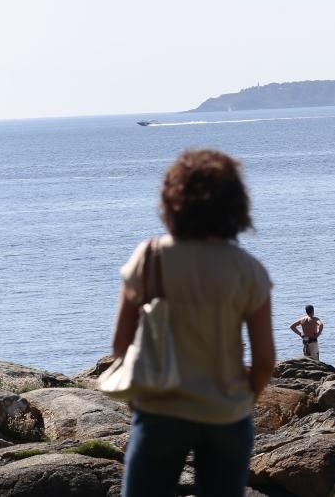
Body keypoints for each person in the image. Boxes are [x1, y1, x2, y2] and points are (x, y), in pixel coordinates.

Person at [110, 149, 275, 497]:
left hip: (160, 409)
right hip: (227, 413)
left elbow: (120, 345)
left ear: (172, 201)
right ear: (235, 204)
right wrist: (247, 398)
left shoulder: (150, 257)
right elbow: (264, 359)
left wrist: (137, 401)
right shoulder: (249, 270)